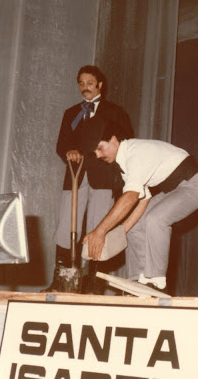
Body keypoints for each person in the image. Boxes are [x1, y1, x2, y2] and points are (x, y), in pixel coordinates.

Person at [84, 121, 198, 293]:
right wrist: (118, 233)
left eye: (100, 148)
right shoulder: (124, 161)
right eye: (95, 152)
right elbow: (143, 200)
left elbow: (130, 198)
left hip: (195, 185)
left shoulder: (135, 154)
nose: (98, 155)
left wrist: (100, 231)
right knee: (135, 224)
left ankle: (157, 281)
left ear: (113, 140)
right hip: (174, 189)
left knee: (156, 219)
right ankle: (139, 279)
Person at [45, 65, 134, 293]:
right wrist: (69, 152)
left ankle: (94, 284)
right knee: (67, 224)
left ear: (100, 85)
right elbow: (62, 144)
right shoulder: (71, 113)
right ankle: (62, 280)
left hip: (103, 176)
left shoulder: (115, 111)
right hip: (75, 174)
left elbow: (125, 142)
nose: (85, 88)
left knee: (98, 225)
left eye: (90, 83)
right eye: (82, 84)